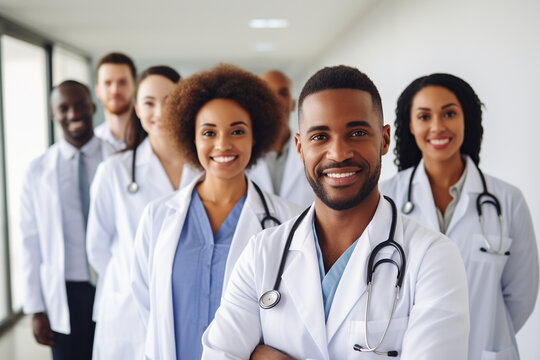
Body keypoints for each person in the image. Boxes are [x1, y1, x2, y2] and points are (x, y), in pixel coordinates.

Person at [202, 65, 470, 359]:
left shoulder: (433, 257)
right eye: (320, 137)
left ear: (384, 140)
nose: (339, 153)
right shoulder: (262, 253)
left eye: (356, 133)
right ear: (299, 146)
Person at [131, 64, 302, 359]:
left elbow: (294, 315)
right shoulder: (158, 215)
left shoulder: (288, 221)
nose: (223, 144)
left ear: (255, 137)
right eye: (209, 132)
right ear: (191, 138)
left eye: (237, 130)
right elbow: (146, 303)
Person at [379, 73, 539, 359]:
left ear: (467, 120)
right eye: (424, 116)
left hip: (485, 350)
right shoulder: (384, 199)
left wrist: (487, 334)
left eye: (449, 113)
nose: (438, 127)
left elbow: (521, 297)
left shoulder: (507, 200)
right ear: (411, 126)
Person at [87, 66, 199, 359]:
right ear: (136, 108)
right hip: (128, 309)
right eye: (149, 102)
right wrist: (130, 277)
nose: (159, 111)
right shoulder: (113, 171)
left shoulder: (204, 167)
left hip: (190, 302)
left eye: (169, 99)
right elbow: (97, 249)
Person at [20, 80, 106, 360]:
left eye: (80, 105)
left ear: (92, 106)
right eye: (63, 108)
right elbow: (29, 241)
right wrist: (36, 308)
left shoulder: (119, 159)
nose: (73, 114)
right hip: (65, 289)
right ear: (53, 115)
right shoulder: (37, 171)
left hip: (111, 282)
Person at [247, 70, 313, 207]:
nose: (275, 100)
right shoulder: (244, 153)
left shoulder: (311, 149)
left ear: (293, 103)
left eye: (282, 93)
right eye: (267, 94)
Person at [94, 52, 136, 154]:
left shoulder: (152, 138)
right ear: (97, 90)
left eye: (122, 82)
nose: (115, 90)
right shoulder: (93, 141)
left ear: (135, 87)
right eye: (108, 83)